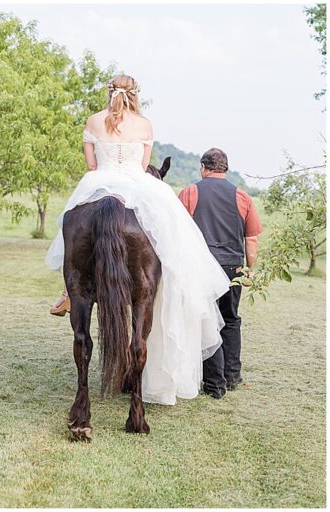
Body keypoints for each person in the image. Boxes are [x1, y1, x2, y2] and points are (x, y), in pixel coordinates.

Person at [45, 74, 230, 405]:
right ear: (135, 95)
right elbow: (144, 166)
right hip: (136, 185)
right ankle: (169, 284)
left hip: (98, 182)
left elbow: (91, 164)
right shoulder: (144, 125)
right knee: (171, 240)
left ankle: (69, 292)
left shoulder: (93, 120)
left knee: (70, 224)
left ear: (110, 93)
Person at [177, 148, 262, 399]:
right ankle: (232, 376)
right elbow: (251, 238)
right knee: (231, 319)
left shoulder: (190, 192)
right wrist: (249, 269)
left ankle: (214, 383)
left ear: (204, 167)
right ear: (225, 168)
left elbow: (178, 232)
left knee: (206, 320)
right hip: (233, 267)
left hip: (202, 266)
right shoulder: (242, 196)